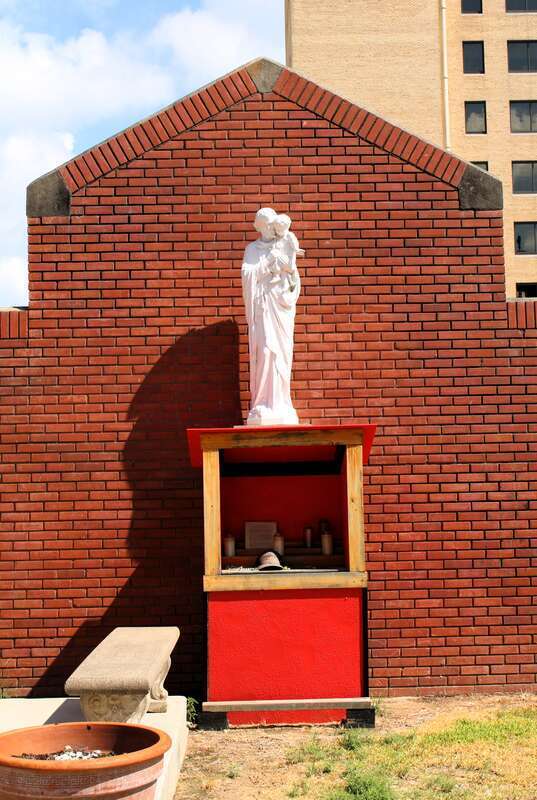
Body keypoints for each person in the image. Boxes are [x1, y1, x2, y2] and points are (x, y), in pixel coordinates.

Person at [241, 208, 302, 426]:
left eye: (271, 225)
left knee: (283, 355)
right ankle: (262, 404)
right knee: (266, 350)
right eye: (265, 226)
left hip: (281, 309)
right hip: (263, 309)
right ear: (259, 227)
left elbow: (293, 277)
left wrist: (291, 277)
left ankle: (282, 404)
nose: (269, 230)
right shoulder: (252, 249)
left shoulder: (284, 243)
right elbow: (247, 275)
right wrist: (267, 263)